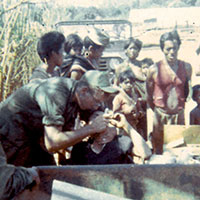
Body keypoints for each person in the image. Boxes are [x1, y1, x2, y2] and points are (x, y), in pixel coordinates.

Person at [146, 30, 192, 154]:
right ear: (162, 49)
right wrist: (159, 109)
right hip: (160, 115)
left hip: (178, 115)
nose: (172, 52)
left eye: (175, 48)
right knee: (159, 152)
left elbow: (186, 91)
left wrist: (179, 106)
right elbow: (149, 94)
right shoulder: (154, 69)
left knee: (177, 150)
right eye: (168, 49)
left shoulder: (186, 67)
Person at [70, 111, 152, 165]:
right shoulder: (80, 148)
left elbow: (146, 153)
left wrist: (126, 125)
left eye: (104, 118)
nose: (101, 120)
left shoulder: (121, 142)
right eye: (96, 117)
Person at [112, 70, 146, 140]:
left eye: (131, 83)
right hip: (124, 129)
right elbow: (115, 114)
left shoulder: (134, 96)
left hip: (134, 127)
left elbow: (140, 110)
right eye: (126, 83)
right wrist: (126, 111)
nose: (129, 85)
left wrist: (139, 114)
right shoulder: (119, 98)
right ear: (120, 84)